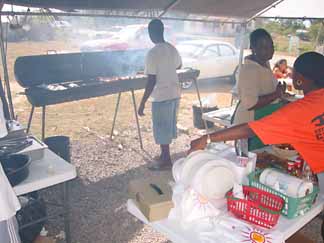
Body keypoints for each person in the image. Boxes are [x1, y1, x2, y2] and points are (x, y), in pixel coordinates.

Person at [190, 52, 324, 177]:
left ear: (300, 78)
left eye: (294, 71)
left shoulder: (299, 110)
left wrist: (206, 139)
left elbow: (250, 129)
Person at [138, 19, 182, 170]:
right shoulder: (171, 48)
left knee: (161, 127)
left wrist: (143, 101)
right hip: (174, 93)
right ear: (162, 31)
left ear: (151, 33)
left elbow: (151, 80)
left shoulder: (152, 53)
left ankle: (166, 160)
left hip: (162, 95)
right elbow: (179, 65)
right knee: (168, 125)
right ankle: (164, 155)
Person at [232, 28, 286, 150]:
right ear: (253, 48)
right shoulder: (248, 69)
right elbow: (250, 103)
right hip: (249, 123)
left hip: (263, 121)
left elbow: (265, 90)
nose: (269, 50)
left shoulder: (264, 63)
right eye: (263, 47)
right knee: (249, 161)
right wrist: (276, 95)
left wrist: (279, 93)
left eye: (271, 46)